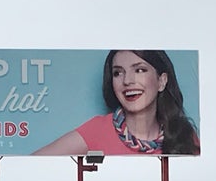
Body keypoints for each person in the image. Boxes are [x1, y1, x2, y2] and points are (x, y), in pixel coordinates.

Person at [34, 50, 200, 155]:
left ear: (161, 81)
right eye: (118, 73)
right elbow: (28, 166)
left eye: (139, 70)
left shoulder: (184, 135)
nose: (127, 81)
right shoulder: (98, 130)